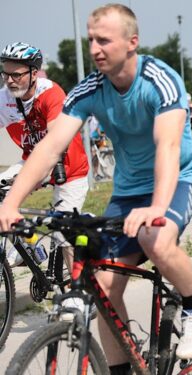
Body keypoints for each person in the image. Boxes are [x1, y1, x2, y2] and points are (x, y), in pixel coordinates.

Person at [0, 4, 192, 373]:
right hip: (128, 190)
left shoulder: (158, 79)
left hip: (178, 178)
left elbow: (169, 146)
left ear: (132, 42)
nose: (95, 48)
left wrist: (157, 206)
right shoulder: (89, 90)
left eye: (104, 40)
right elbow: (49, 148)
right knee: (103, 287)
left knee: (155, 240)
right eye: (91, 39)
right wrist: (11, 203)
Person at [0, 42, 91, 316]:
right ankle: (24, 244)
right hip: (33, 160)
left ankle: (77, 294)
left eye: (17, 74)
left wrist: (38, 175)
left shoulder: (51, 93)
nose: (10, 80)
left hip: (68, 166)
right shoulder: (4, 98)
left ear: (34, 72)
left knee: (63, 231)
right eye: (5, 73)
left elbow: (54, 143)